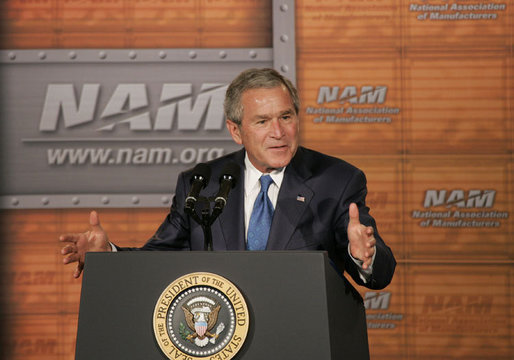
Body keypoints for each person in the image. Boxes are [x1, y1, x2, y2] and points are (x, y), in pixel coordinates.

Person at [60, 68, 396, 289]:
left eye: (285, 116)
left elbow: (378, 274)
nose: (278, 132)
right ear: (236, 130)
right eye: (262, 121)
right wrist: (110, 255)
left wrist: (364, 256)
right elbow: (159, 258)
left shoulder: (336, 180)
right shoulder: (201, 182)